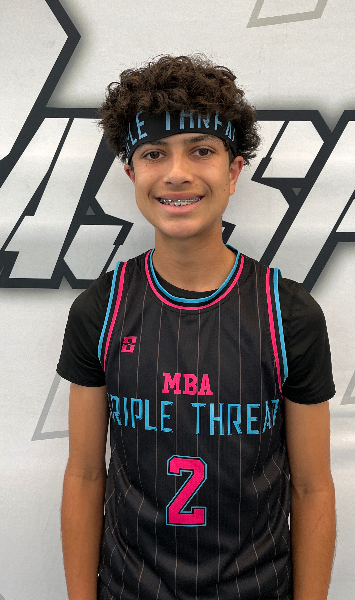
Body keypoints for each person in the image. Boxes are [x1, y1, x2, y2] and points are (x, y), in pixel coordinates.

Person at [58, 54, 336, 600]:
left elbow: (311, 488)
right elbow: (86, 476)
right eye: (154, 153)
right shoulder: (100, 310)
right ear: (131, 173)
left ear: (233, 171)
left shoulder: (289, 315)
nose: (177, 173)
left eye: (202, 150)